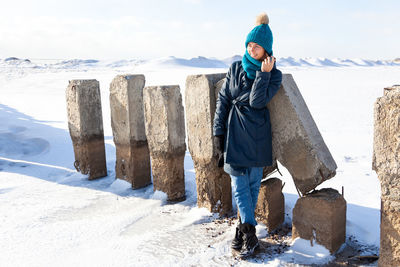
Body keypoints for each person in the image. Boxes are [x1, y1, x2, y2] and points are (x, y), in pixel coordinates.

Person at [213, 12, 282, 257]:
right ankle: (249, 233)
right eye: (249, 45)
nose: (251, 50)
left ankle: (242, 232)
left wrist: (263, 75)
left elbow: (256, 101)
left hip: (256, 133)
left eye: (257, 47)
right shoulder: (234, 68)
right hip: (234, 132)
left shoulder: (274, 75)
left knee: (252, 185)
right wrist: (218, 135)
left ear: (267, 50)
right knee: (240, 185)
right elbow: (223, 100)